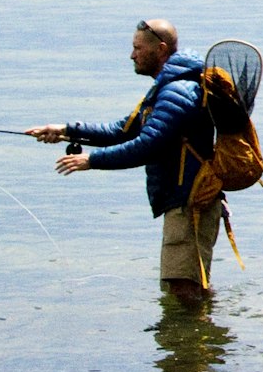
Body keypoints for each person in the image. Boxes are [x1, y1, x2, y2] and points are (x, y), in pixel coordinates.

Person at [29, 18, 224, 305]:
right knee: (191, 287)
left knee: (184, 290)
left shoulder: (176, 92)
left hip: (189, 203)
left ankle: (195, 346)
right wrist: (66, 130)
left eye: (137, 48)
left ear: (159, 49)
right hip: (186, 201)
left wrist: (92, 161)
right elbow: (123, 130)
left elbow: (147, 145)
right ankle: (203, 342)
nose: (132, 55)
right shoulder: (169, 87)